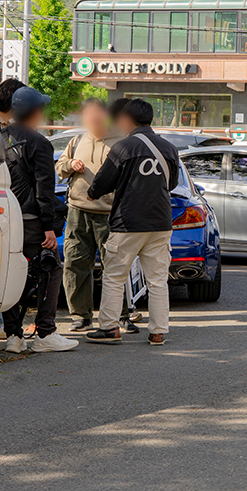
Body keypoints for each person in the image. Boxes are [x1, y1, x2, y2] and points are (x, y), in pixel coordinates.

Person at [85, 99, 179, 347]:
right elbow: (171, 184)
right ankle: (158, 332)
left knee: (114, 276)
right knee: (157, 280)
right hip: (160, 222)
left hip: (128, 222)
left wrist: (92, 193)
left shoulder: (122, 147)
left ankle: (109, 328)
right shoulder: (169, 148)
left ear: (127, 119)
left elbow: (102, 182)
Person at [2, 87, 77, 353]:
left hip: (5, 218)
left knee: (8, 272)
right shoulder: (40, 143)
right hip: (31, 220)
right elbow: (44, 189)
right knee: (51, 269)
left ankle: (13, 335)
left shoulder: (1, 137)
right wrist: (48, 227)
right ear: (36, 112)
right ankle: (45, 333)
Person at [55, 98, 137, 334]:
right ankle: (81, 316)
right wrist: (70, 164)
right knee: (75, 263)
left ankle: (121, 315)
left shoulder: (121, 141)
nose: (93, 118)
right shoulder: (76, 141)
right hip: (77, 212)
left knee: (116, 266)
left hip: (110, 214)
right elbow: (59, 167)